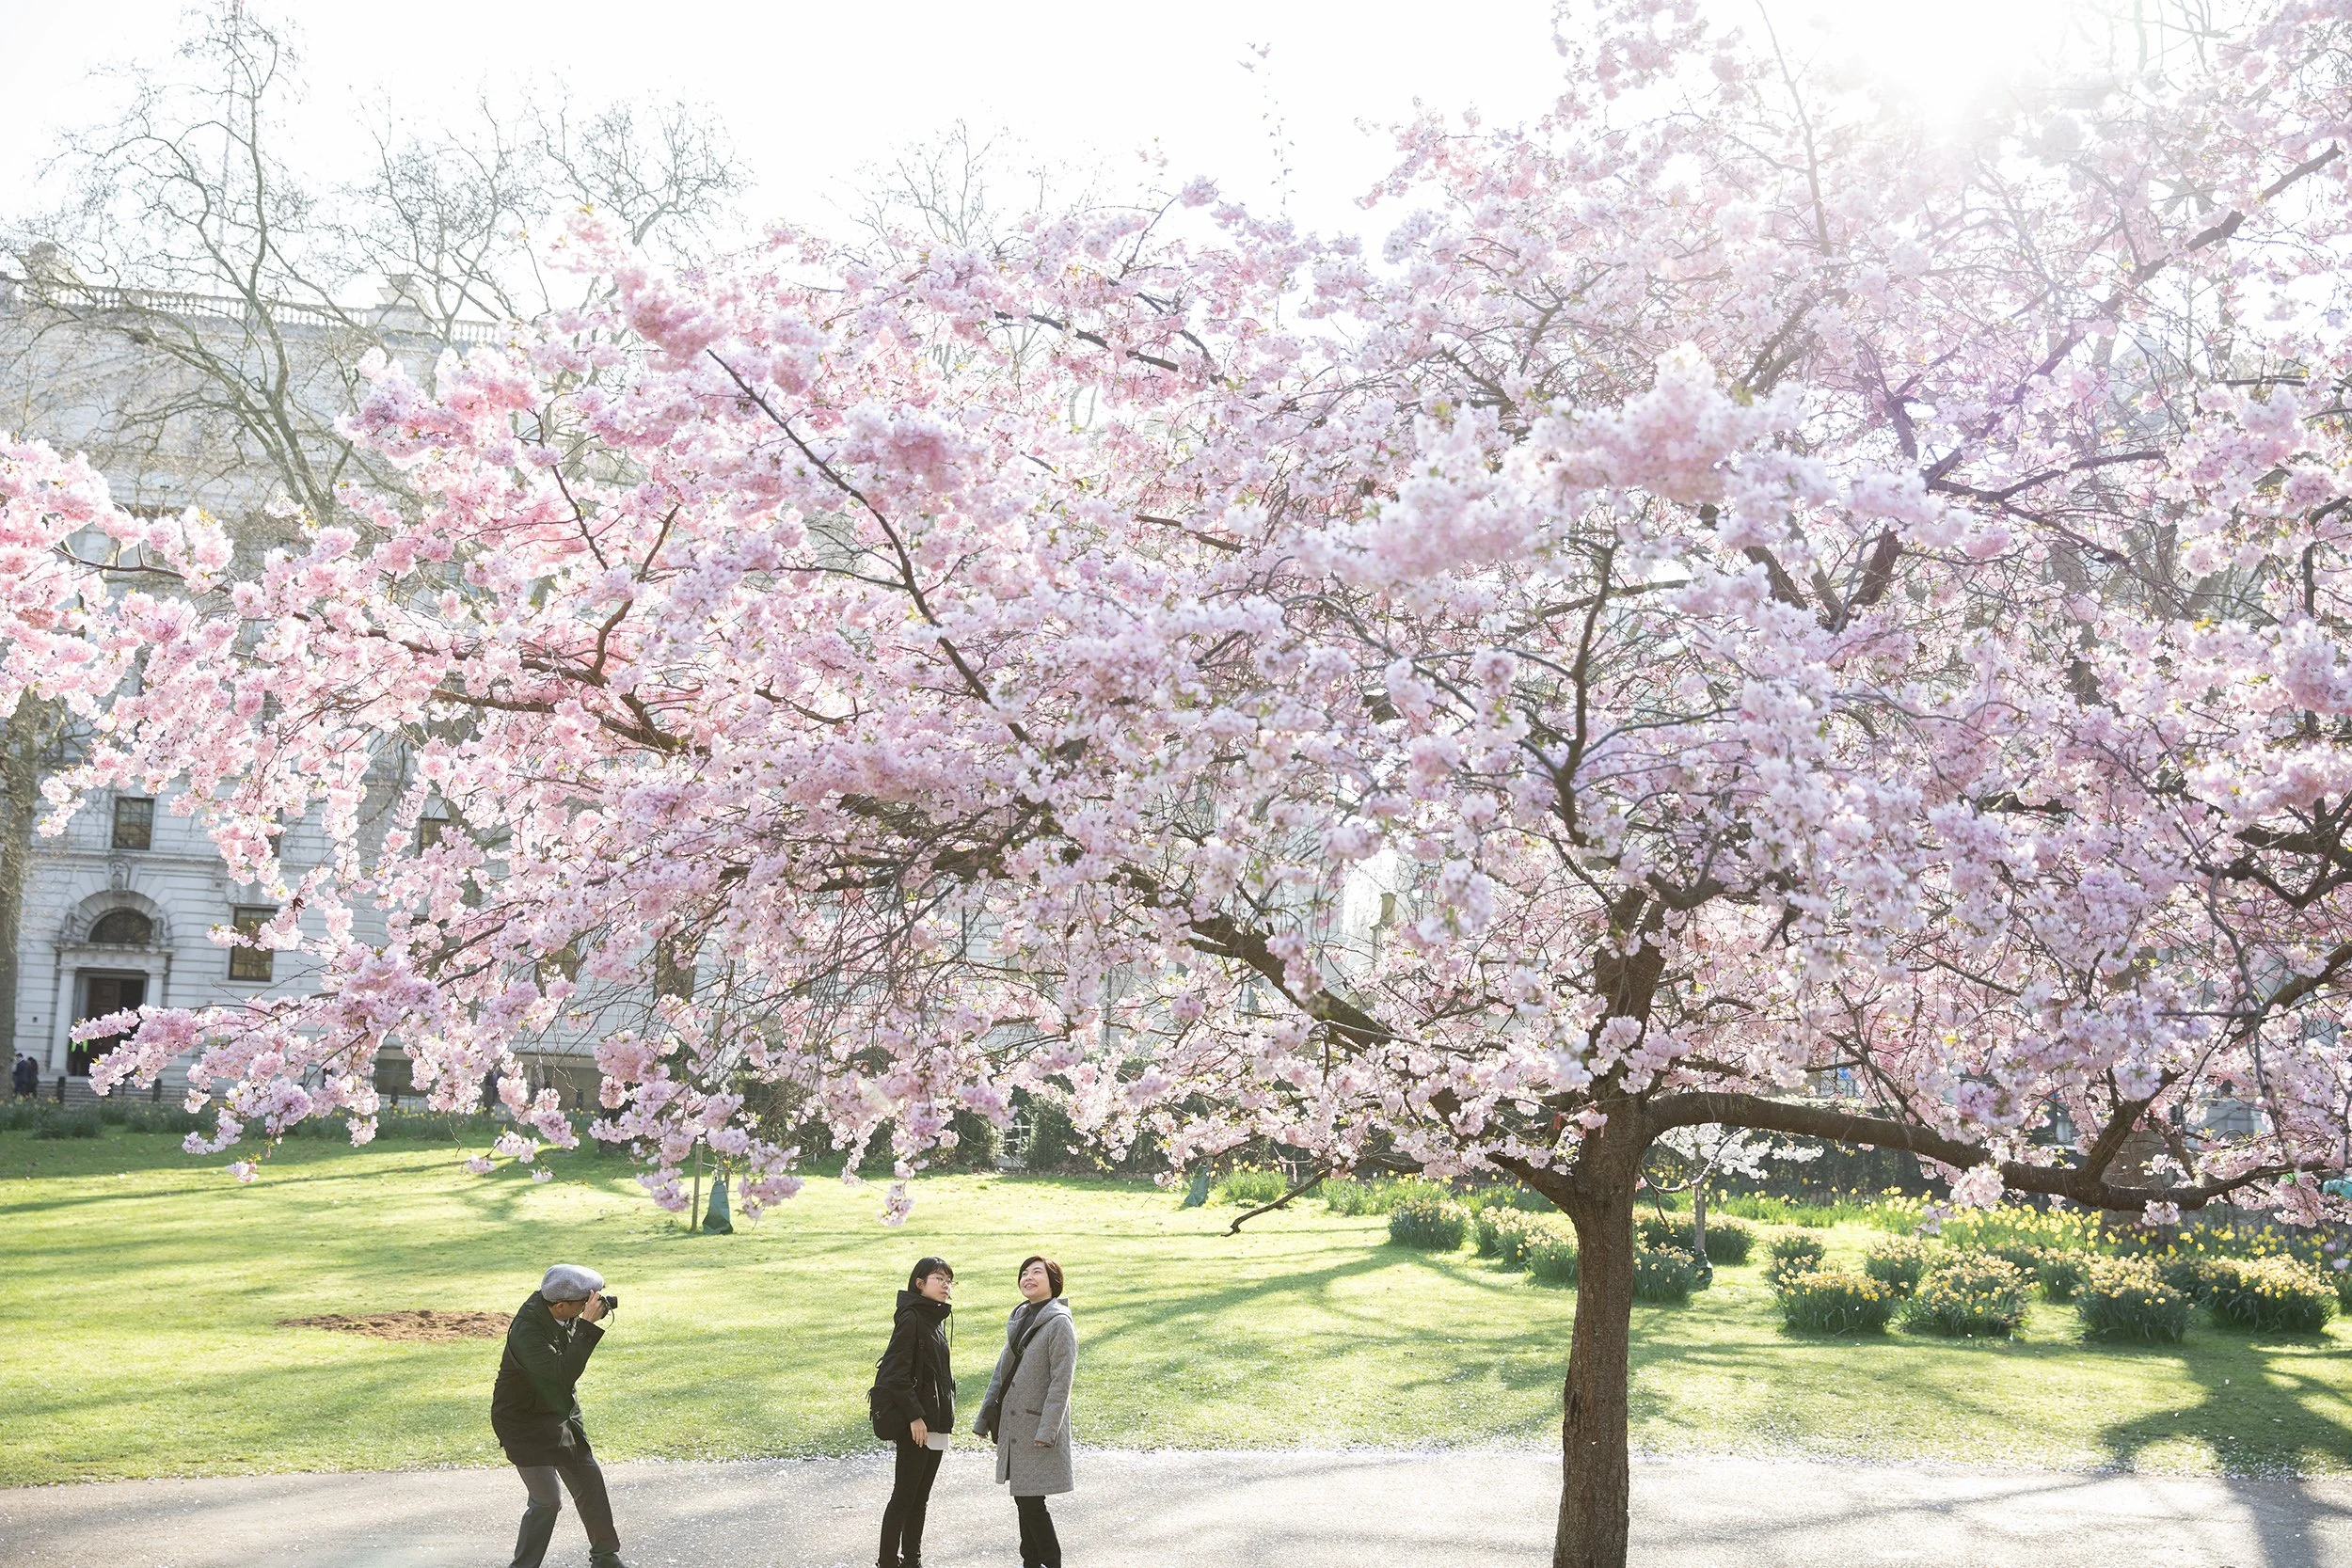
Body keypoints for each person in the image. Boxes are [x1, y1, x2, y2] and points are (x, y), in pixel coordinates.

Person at [490, 1263, 628, 1568]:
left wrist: (584, 1320)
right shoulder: (527, 1331)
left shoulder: (560, 1309)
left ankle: (605, 1557)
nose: (589, 1307)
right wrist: (589, 1326)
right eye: (584, 1303)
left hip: (559, 1413)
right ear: (562, 1305)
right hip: (522, 1422)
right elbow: (561, 1373)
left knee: (589, 1481)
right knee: (547, 1501)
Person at [973, 1255, 1076, 1568]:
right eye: (1024, 1273)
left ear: (1053, 1282)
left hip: (1036, 1428)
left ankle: (1049, 1561)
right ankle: (1031, 1561)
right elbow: (1001, 1373)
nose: (1028, 1277)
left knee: (1031, 1502)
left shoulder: (1059, 1323)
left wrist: (1048, 1431)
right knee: (1025, 1500)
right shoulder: (1020, 1317)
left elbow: (1062, 1382)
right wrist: (983, 1417)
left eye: (1037, 1273)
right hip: (1014, 1425)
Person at [870, 1256, 956, 1568]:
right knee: (904, 1498)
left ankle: (912, 1561)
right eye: (939, 1279)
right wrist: (914, 1416)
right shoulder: (912, 1318)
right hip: (917, 1424)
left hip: (935, 1423)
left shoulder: (933, 1319)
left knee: (920, 1500)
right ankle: (887, 1562)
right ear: (919, 1283)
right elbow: (894, 1374)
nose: (946, 1285)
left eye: (949, 1281)